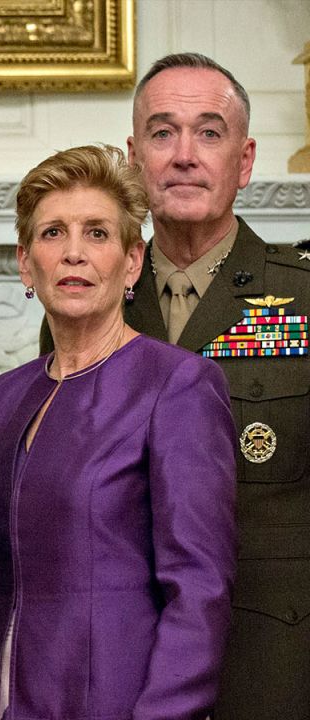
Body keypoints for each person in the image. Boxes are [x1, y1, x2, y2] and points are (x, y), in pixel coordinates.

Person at [0, 144, 236, 719]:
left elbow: (199, 591)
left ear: (132, 262)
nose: (74, 253)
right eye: (53, 233)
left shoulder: (178, 385)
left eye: (98, 234)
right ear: (25, 262)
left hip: (114, 702)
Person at [123, 53, 310, 715]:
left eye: (209, 132)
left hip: (272, 666)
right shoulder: (90, 307)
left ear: (246, 158)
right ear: (133, 157)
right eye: (162, 131)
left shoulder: (302, 302)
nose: (184, 155)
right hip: (129, 664)